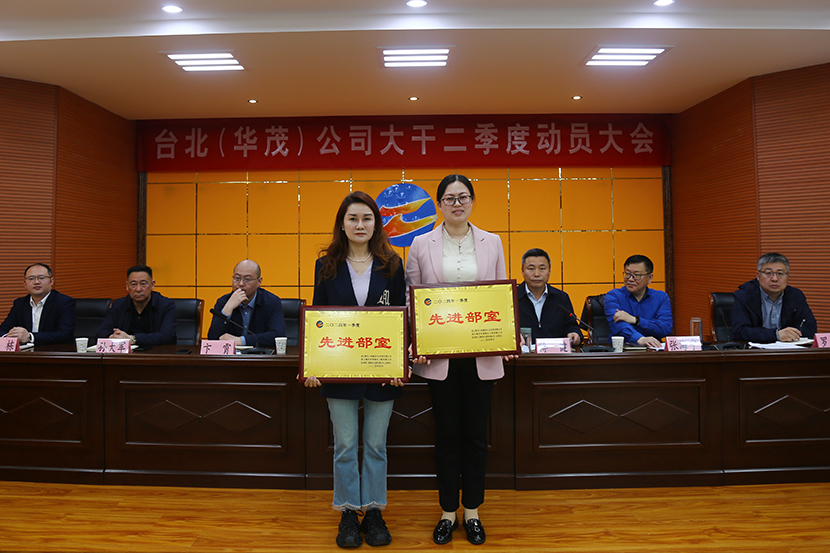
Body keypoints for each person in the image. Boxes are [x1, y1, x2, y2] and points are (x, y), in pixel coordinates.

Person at [406, 174, 515, 546]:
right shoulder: (420, 243)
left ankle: (472, 512)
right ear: (439, 204)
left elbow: (500, 296)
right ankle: (447, 512)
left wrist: (504, 335)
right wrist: (418, 340)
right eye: (449, 198)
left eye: (463, 197)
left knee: (476, 437)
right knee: (447, 436)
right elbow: (412, 299)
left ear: (472, 201)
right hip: (440, 356)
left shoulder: (492, 241)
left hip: (480, 353)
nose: (457, 203)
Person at [304, 191, 406, 549]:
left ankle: (374, 510)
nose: (360, 225)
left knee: (376, 445)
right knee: (345, 445)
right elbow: (318, 317)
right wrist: (313, 364)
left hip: (382, 369)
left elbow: (401, 318)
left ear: (376, 224)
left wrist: (400, 364)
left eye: (366, 218)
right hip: (339, 369)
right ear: (342, 224)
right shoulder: (326, 265)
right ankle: (348, 511)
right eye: (353, 218)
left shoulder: (392, 264)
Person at [731, 252, 817, 343]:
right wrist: (776, 335)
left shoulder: (796, 296)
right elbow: (739, 331)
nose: (775, 279)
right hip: (754, 348)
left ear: (788, 277)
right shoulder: (744, 296)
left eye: (780, 273)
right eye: (768, 273)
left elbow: (810, 327)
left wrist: (792, 335)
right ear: (758, 276)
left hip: (787, 348)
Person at [207, 260, 286, 347]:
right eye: (237, 278)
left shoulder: (271, 302)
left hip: (260, 354)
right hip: (231, 355)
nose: (241, 284)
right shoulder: (223, 302)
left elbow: (278, 336)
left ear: (259, 281)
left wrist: (241, 341)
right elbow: (212, 339)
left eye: (247, 279)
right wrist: (227, 310)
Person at [96, 265, 176, 347]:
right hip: (126, 353)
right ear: (127, 286)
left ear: (152, 285)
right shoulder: (118, 305)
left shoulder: (166, 305)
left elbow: (167, 336)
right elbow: (102, 332)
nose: (138, 289)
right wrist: (114, 337)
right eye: (133, 284)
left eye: (143, 284)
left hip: (156, 352)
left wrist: (132, 339)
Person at [604, 254, 673, 348]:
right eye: (627, 274)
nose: (630, 279)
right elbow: (619, 326)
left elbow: (665, 328)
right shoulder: (614, 296)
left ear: (650, 278)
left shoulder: (661, 298)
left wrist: (636, 320)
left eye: (637, 275)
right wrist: (639, 339)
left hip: (653, 350)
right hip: (622, 350)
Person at [517, 248, 582, 347]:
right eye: (531, 269)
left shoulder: (561, 298)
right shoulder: (512, 297)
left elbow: (571, 325)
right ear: (522, 271)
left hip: (555, 354)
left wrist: (574, 334)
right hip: (523, 354)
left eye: (542, 269)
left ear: (549, 271)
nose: (537, 274)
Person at [0, 263, 75, 346]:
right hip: (25, 352)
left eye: (41, 278)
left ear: (51, 281)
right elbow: (3, 329)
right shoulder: (20, 303)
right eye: (31, 279)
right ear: (25, 283)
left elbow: (65, 334)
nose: (36, 282)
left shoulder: (64, 302)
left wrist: (30, 337)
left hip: (54, 351)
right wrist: (8, 336)